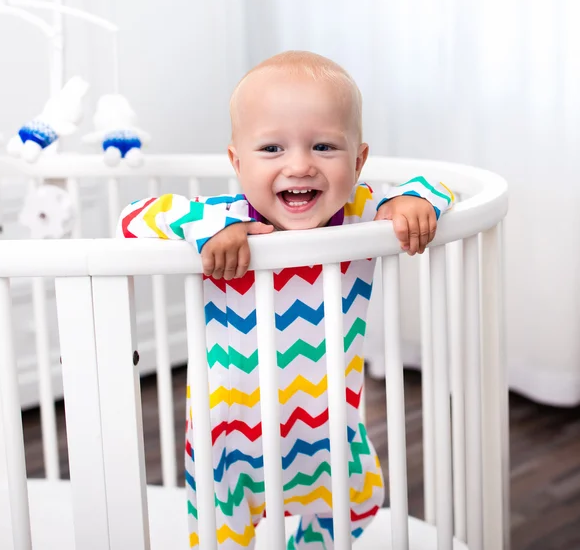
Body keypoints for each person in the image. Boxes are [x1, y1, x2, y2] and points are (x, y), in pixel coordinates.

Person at [118, 51, 453, 549]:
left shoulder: (363, 217)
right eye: (272, 148)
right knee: (221, 534)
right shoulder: (226, 222)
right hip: (229, 432)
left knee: (357, 504)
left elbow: (436, 188)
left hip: (326, 419)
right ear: (237, 162)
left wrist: (412, 202)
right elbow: (134, 217)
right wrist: (210, 229)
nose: (300, 166)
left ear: (358, 162)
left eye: (323, 146)